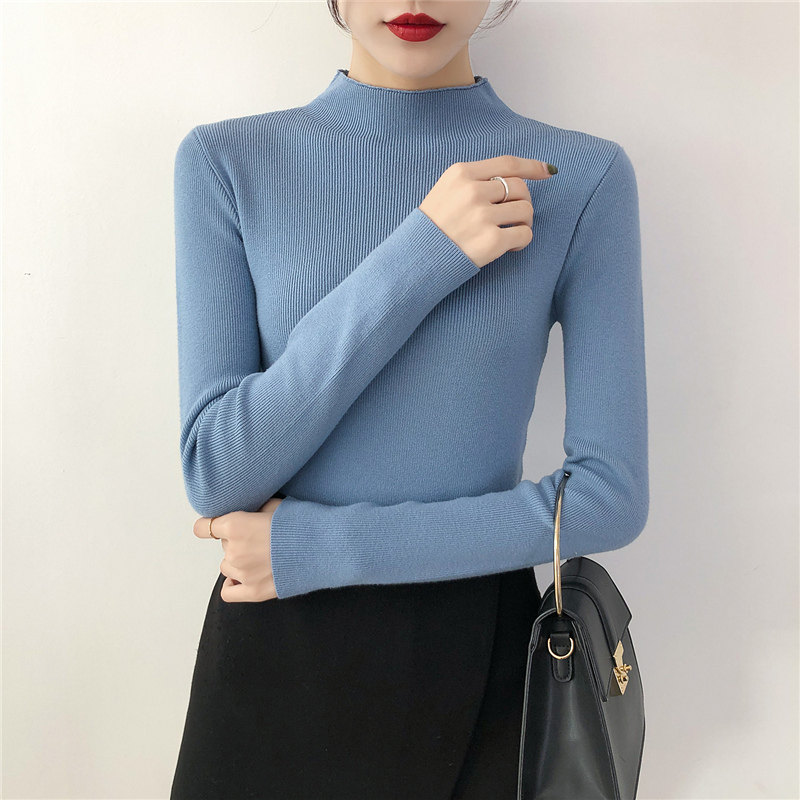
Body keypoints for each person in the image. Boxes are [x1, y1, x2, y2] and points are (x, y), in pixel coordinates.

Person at [169, 1, 650, 797]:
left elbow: (609, 499)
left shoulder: (581, 177)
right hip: (275, 661)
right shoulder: (228, 162)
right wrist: (426, 250)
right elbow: (217, 472)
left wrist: (323, 548)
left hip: (481, 663)